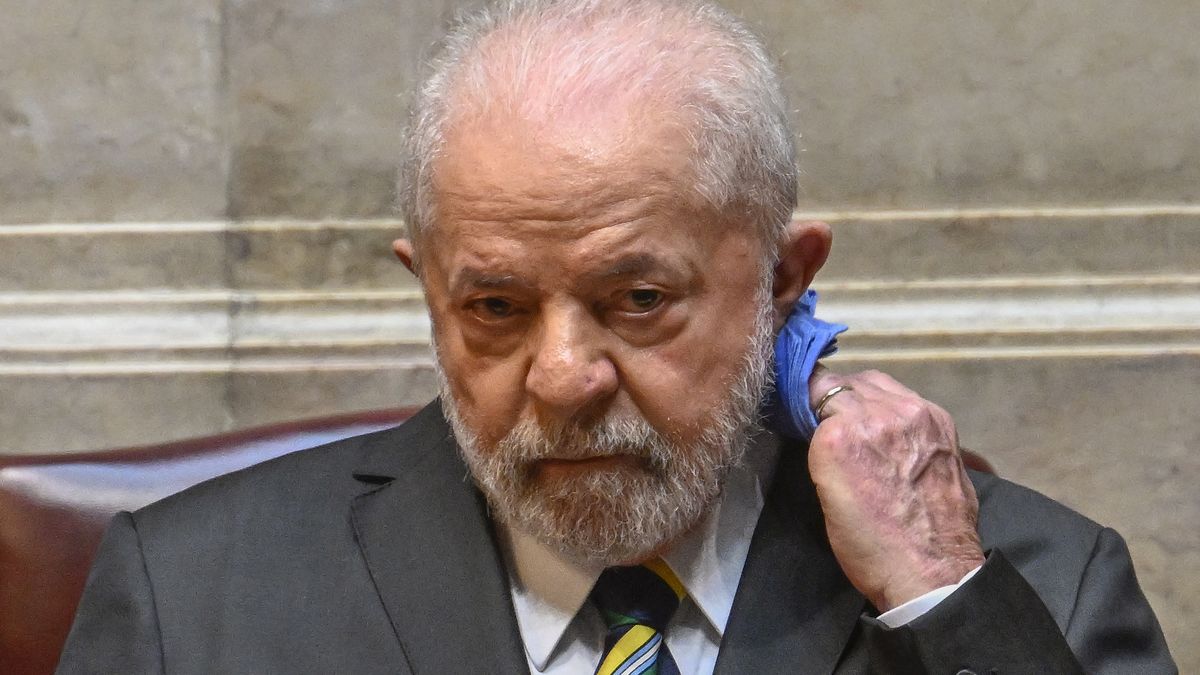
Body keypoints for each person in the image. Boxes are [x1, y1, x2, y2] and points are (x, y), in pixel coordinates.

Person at [58, 0, 1174, 673]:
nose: (562, 377)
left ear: (784, 279)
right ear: (428, 289)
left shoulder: (1030, 587)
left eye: (639, 301)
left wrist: (940, 602)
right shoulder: (191, 599)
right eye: (492, 307)